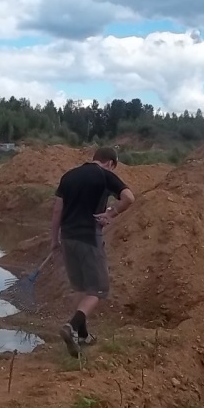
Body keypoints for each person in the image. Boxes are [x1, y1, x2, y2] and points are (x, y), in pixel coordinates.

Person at [51, 146, 135, 357]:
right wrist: (112, 213)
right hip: (89, 237)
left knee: (81, 288)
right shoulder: (104, 175)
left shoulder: (68, 176)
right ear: (110, 163)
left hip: (68, 237)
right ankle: (71, 327)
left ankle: (83, 335)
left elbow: (57, 210)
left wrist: (54, 239)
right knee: (98, 289)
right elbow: (129, 197)